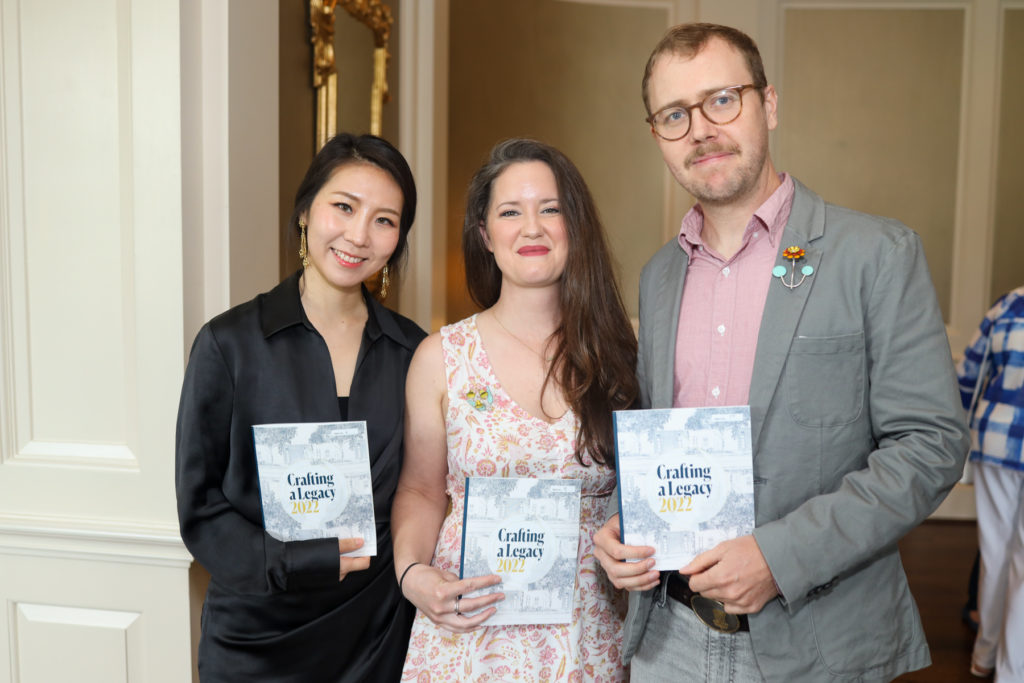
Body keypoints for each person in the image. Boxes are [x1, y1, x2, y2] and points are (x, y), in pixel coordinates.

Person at [592, 23, 970, 682]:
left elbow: (930, 442)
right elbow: (662, 435)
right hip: (669, 641)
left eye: (722, 100)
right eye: (674, 115)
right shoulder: (659, 277)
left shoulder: (876, 254)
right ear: (656, 134)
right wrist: (626, 519)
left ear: (768, 103)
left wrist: (780, 555)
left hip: (820, 641)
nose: (701, 129)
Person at [175, 133, 425, 682]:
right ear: (306, 211)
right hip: (257, 638)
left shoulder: (416, 353)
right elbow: (201, 509)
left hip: (378, 635)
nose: (359, 235)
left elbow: (429, 491)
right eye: (344, 207)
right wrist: (296, 561)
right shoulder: (229, 344)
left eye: (385, 220)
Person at [393, 138, 637, 681]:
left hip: (589, 639)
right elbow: (421, 490)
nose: (532, 227)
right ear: (485, 235)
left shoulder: (624, 354)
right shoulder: (442, 357)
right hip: (469, 637)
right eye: (511, 211)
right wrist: (413, 575)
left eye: (551, 209)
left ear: (576, 225)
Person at [957, 286, 1024, 679]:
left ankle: (984, 656)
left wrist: (960, 428)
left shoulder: (1009, 304)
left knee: (994, 551)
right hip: (1000, 441)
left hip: (995, 439)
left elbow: (970, 372)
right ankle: (1012, 671)